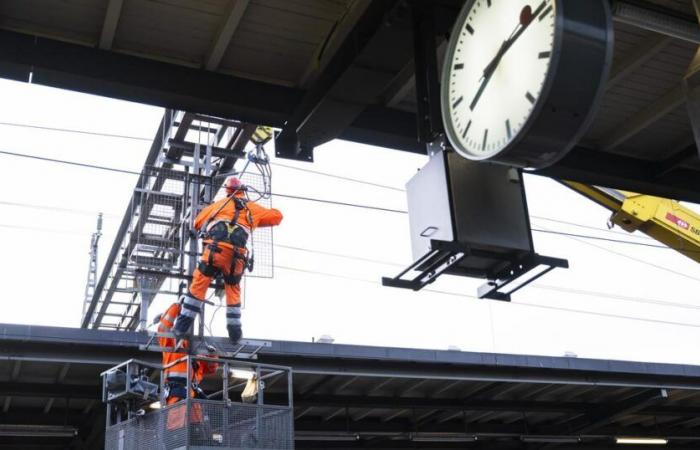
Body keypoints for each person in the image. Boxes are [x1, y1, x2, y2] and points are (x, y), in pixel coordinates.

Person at [173, 176, 283, 344]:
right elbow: (277, 217)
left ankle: (181, 327)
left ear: (227, 191)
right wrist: (256, 219)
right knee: (233, 290)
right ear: (243, 191)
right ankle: (235, 332)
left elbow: (196, 223)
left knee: (199, 284)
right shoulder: (252, 209)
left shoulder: (218, 206)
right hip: (236, 257)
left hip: (214, 252)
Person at [157, 302, 218, 432]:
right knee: (177, 433)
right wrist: (177, 306)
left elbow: (211, 368)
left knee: (196, 434)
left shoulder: (196, 353)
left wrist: (213, 355)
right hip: (177, 398)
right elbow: (163, 328)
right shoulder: (171, 345)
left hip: (193, 400)